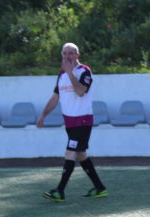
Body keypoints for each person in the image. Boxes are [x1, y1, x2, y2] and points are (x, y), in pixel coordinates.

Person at [38, 43, 107, 202]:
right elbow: (55, 97)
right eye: (64, 53)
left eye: (70, 53)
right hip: (70, 122)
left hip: (82, 120)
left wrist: (70, 72)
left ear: (77, 55)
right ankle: (100, 187)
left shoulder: (84, 71)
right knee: (81, 155)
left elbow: (81, 91)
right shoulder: (61, 75)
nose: (67, 56)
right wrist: (43, 115)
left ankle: (60, 191)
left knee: (70, 152)